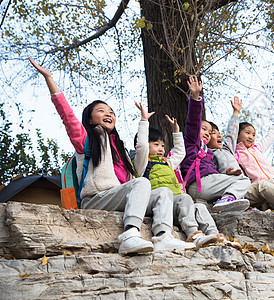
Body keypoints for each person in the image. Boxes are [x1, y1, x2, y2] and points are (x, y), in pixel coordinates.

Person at [29, 57, 195, 254]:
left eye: (111, 111)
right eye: (101, 111)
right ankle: (131, 234)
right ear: (90, 119)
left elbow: (139, 160)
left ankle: (163, 237)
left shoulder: (121, 147)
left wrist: (143, 122)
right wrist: (49, 80)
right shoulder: (87, 139)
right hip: (95, 198)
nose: (109, 114)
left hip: (117, 197)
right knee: (141, 183)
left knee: (164, 193)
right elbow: (68, 118)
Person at [132, 103, 223, 247]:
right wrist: (144, 122)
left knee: (200, 207)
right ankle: (193, 233)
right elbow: (142, 146)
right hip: (158, 205)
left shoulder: (167, 164)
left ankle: (214, 235)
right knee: (185, 198)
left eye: (162, 145)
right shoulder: (142, 164)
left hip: (177, 205)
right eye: (156, 144)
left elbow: (181, 152)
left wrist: (176, 132)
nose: (161, 148)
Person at [179, 76, 251, 213]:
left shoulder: (209, 152)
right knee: (244, 181)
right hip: (199, 184)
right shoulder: (191, 142)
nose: (207, 133)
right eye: (203, 129)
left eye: (209, 131)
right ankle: (227, 198)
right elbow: (193, 122)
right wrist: (195, 97)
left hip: (208, 184)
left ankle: (227, 199)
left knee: (242, 181)